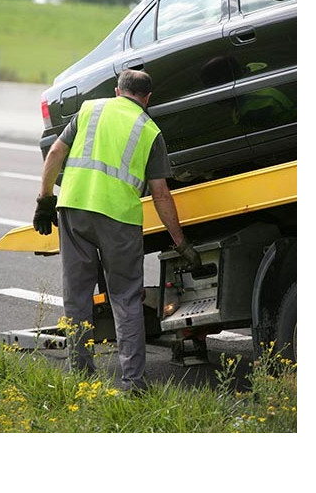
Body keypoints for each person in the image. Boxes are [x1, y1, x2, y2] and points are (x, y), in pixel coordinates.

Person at [33, 69, 201, 393]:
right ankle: (133, 384)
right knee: (125, 300)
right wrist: (181, 243)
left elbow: (55, 153)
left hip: (75, 209)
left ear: (116, 91)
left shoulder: (89, 110)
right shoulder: (150, 131)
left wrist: (44, 199)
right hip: (119, 220)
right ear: (147, 98)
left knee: (77, 296)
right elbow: (161, 194)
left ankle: (81, 377)